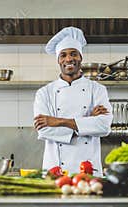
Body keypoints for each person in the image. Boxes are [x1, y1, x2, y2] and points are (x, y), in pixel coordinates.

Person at [33, 26, 113, 176]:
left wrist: (58, 121)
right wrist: (88, 123)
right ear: (58, 60)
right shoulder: (44, 93)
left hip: (90, 171)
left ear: (81, 57)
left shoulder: (98, 89)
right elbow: (44, 130)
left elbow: (104, 126)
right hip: (56, 171)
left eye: (73, 54)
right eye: (63, 55)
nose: (68, 59)